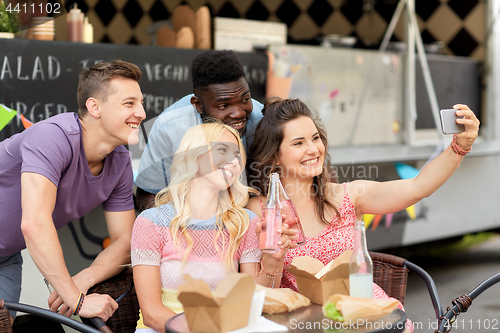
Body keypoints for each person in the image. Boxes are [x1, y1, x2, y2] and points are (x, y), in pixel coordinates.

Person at [246, 98, 480, 333]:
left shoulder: (348, 196)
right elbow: (260, 298)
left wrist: (459, 146)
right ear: (275, 156)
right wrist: (272, 260)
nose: (313, 149)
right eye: (298, 143)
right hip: (310, 326)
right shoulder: (262, 211)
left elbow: (418, 187)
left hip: (372, 321)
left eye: (315, 138)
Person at [0, 60, 146, 323]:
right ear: (94, 107)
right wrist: (77, 301)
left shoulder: (120, 161)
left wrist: (83, 279)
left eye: (141, 103)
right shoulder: (52, 137)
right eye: (130, 103)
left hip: (5, 257)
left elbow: (126, 241)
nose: (142, 113)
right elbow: (34, 223)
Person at [131, 122, 295, 333]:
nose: (233, 161)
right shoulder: (151, 222)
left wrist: (273, 261)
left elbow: (255, 303)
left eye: (237, 155)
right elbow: (152, 314)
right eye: (222, 150)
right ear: (194, 155)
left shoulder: (245, 222)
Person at [135, 50, 263, 212]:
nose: (239, 113)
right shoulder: (170, 127)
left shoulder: (261, 121)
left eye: (245, 99)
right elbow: (147, 194)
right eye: (224, 106)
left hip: (246, 220)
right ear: (198, 105)